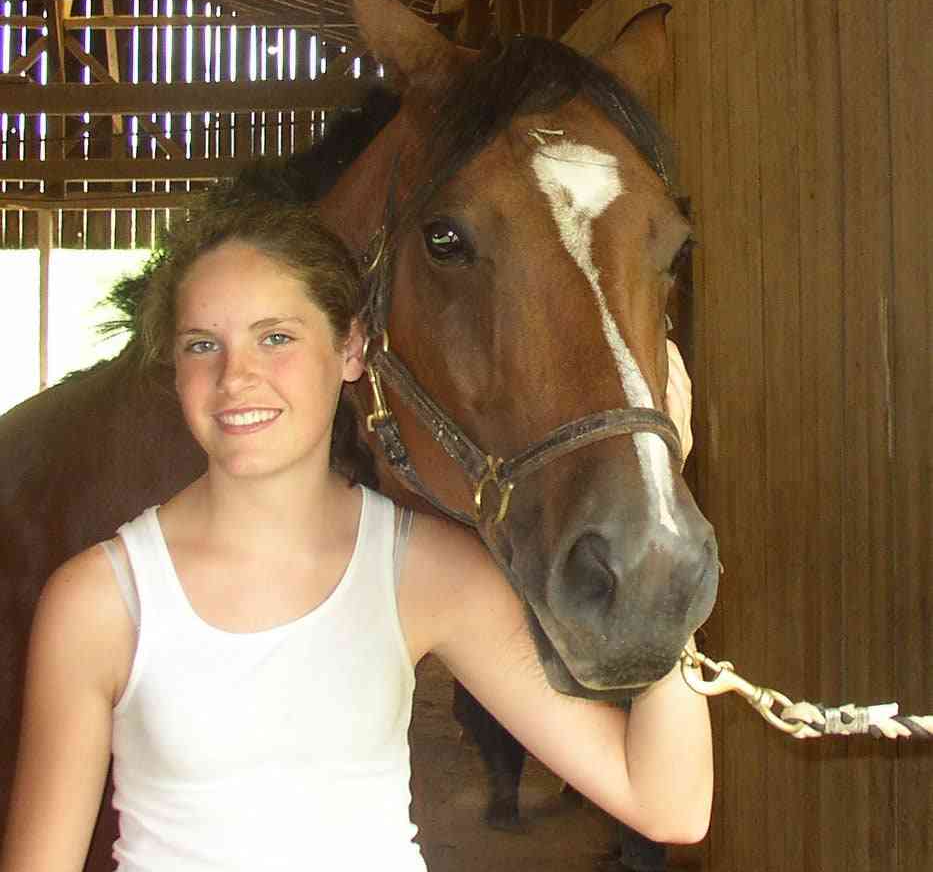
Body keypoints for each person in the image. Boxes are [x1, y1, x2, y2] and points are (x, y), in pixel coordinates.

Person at [0, 197, 712, 872]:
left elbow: (665, 803)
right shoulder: (101, 599)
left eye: (275, 337)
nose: (234, 377)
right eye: (201, 344)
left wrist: (662, 514)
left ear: (351, 349)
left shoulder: (422, 571)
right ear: (174, 367)